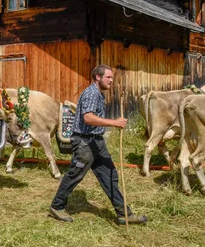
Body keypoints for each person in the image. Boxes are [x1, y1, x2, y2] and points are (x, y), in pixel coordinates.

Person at [49, 64, 148, 225]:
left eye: (111, 77)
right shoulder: (91, 93)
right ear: (98, 77)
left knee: (110, 175)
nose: (111, 80)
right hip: (84, 142)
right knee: (75, 174)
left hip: (96, 141)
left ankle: (124, 214)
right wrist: (114, 123)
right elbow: (88, 118)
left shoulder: (99, 94)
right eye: (108, 77)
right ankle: (57, 206)